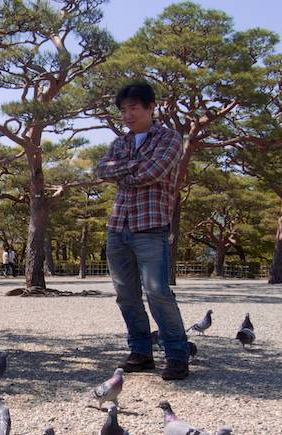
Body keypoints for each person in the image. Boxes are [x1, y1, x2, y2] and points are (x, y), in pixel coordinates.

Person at [94, 82, 190, 381]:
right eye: (123, 110)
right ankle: (141, 351)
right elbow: (101, 171)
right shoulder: (121, 142)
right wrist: (132, 167)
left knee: (158, 291)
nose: (127, 115)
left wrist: (123, 169)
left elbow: (153, 173)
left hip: (150, 226)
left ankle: (176, 355)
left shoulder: (170, 139)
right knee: (125, 294)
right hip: (117, 226)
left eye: (134, 108)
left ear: (151, 107)